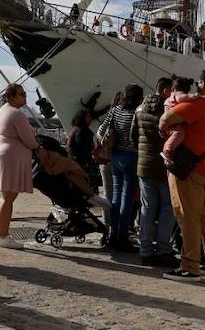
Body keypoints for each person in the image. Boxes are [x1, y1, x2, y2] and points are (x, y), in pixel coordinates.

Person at [157, 70, 205, 281]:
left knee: (186, 216)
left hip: (189, 170)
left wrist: (163, 128)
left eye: (198, 82)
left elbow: (168, 117)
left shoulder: (204, 102)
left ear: (204, 84)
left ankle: (190, 266)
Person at [0, 83, 41, 249]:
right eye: (21, 94)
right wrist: (35, 139)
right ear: (11, 96)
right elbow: (30, 140)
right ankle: (4, 236)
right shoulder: (17, 114)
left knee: (4, 197)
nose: (25, 97)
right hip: (11, 157)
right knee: (9, 198)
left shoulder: (2, 110)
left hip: (0, 153)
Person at [134, 77, 178, 266]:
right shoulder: (168, 112)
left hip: (144, 165)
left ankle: (145, 250)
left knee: (147, 209)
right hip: (163, 166)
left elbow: (133, 136)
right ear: (167, 91)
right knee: (167, 210)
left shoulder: (140, 109)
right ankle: (163, 249)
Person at [105, 84, 144, 251]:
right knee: (127, 199)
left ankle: (113, 234)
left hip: (116, 156)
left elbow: (101, 129)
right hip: (132, 157)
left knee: (115, 196)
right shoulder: (138, 112)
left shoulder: (116, 110)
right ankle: (122, 235)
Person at [67, 109, 101, 193]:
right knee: (85, 187)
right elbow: (82, 147)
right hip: (82, 163)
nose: (90, 118)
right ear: (83, 118)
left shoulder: (75, 129)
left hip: (75, 162)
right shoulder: (82, 131)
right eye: (88, 116)